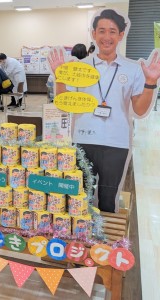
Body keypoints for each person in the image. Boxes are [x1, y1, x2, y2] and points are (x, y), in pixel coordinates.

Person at [48, 9, 160, 213]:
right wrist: (60, 77)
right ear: (93, 34)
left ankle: (103, 244)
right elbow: (64, 104)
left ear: (121, 35)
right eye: (101, 31)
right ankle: (82, 242)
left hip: (116, 142)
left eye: (112, 31)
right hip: (83, 139)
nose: (106, 37)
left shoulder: (132, 69)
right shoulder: (79, 67)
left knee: (108, 199)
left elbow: (139, 109)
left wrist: (150, 83)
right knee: (81, 197)